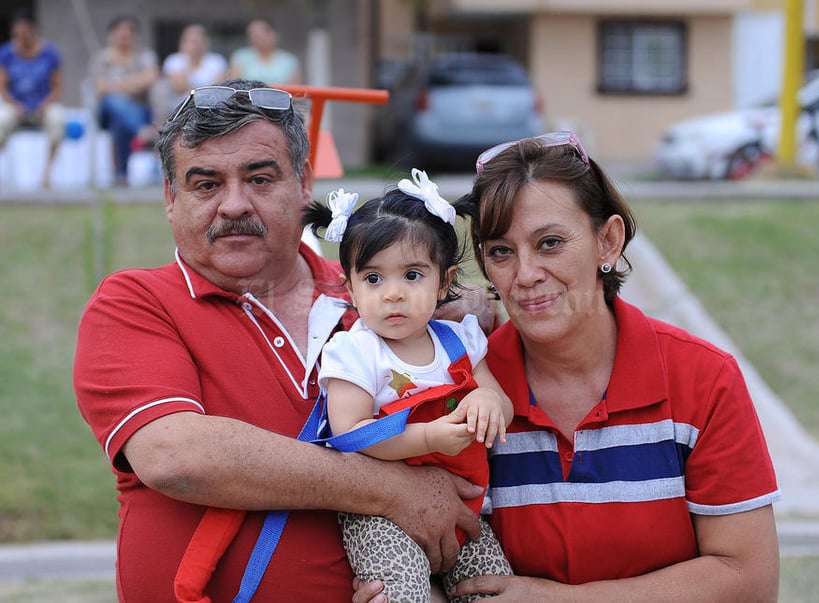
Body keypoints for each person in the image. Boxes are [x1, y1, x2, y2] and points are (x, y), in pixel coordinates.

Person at [73, 78, 491, 602]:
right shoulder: (136, 302)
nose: (233, 205)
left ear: (303, 183)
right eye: (205, 184)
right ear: (169, 198)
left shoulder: (389, 306)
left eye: (259, 179)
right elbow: (175, 456)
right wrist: (389, 490)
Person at [355, 131, 782, 602]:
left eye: (550, 243)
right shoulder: (458, 386)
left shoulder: (702, 378)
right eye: (500, 251)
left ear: (608, 241)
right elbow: (440, 552)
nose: (526, 274)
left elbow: (748, 580)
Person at [303, 175, 514, 601]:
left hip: (465, 508)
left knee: (495, 587)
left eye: (412, 275)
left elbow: (499, 401)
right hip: (379, 516)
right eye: (374, 279)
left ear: (443, 282)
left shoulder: (459, 340)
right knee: (401, 592)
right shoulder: (356, 352)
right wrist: (429, 437)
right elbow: (351, 433)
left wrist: (488, 401)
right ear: (350, 286)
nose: (393, 294)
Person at [89, 15, 158, 185]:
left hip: (140, 110)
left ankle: (121, 174)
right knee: (114, 101)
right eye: (120, 35)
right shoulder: (102, 58)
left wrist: (116, 85)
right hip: (106, 110)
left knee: (119, 122)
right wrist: (132, 85)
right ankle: (143, 131)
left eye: (127, 35)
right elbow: (100, 88)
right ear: (111, 35)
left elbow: (151, 78)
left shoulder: (145, 55)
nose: (124, 38)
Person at [0, 9, 64, 189]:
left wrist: (44, 104)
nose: (22, 38)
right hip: (15, 105)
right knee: (1, 121)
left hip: (44, 105)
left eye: (26, 33)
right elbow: (2, 87)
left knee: (57, 119)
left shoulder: (50, 53)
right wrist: (15, 104)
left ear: (33, 30)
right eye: (18, 34)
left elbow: (58, 87)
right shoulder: (6, 53)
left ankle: (47, 175)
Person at [147, 23, 227, 136]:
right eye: (190, 41)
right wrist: (188, 59)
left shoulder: (216, 60)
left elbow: (216, 89)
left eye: (197, 41)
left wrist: (193, 89)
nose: (194, 45)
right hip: (179, 106)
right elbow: (180, 87)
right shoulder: (174, 60)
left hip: (210, 106)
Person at [228, 18, 301, 85]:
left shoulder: (289, 60)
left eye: (262, 33)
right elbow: (234, 85)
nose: (257, 38)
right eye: (253, 35)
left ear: (274, 34)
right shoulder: (241, 56)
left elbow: (294, 90)